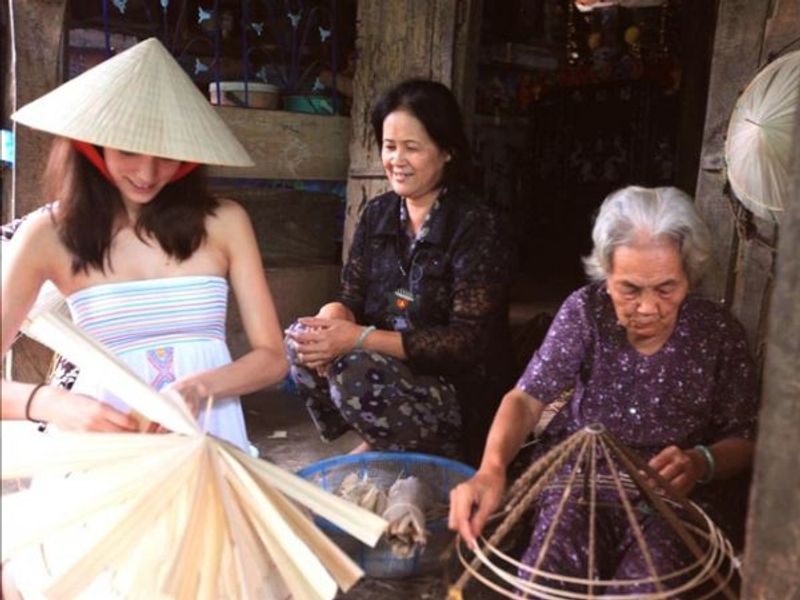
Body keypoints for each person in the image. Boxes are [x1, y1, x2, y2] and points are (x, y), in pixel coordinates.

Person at [449, 186, 759, 597]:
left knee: (647, 586)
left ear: (689, 275)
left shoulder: (717, 332)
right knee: (547, 581)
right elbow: (526, 399)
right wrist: (491, 469)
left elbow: (747, 435)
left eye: (666, 288)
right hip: (580, 482)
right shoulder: (585, 311)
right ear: (605, 275)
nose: (647, 308)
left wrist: (702, 461)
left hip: (672, 498)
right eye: (629, 289)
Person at [1, 38, 287, 452]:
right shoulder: (48, 235)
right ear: (93, 146)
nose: (148, 173)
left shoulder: (225, 222)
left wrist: (196, 387)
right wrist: (51, 403)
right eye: (130, 150)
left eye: (167, 154)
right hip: (105, 454)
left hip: (210, 446)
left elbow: (272, 358)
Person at [285, 79, 513, 464]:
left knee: (355, 372)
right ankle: (383, 437)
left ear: (447, 151)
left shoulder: (475, 224)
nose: (397, 160)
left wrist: (360, 338)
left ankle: (405, 446)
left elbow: (467, 343)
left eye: (412, 147)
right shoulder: (378, 213)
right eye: (390, 147)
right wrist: (330, 320)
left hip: (459, 390)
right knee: (300, 339)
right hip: (386, 371)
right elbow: (351, 297)